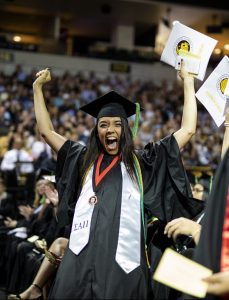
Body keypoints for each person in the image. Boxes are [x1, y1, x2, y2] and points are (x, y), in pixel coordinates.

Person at [32, 62, 203, 300]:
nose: (110, 129)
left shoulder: (143, 162)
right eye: (103, 124)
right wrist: (38, 89)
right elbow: (46, 132)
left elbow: (188, 130)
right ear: (96, 131)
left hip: (123, 265)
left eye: (116, 124)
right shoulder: (81, 159)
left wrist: (187, 81)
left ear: (125, 128)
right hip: (79, 261)